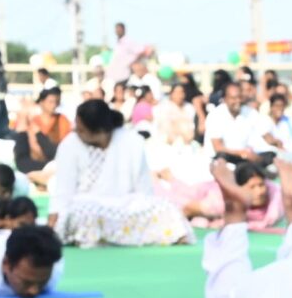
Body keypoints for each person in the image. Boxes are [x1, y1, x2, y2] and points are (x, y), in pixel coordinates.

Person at [47, 98, 190, 247]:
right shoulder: (70, 144)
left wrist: (148, 207)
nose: (76, 131)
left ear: (100, 131)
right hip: (86, 206)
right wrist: (54, 217)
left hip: (126, 207)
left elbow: (144, 189)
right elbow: (63, 188)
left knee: (166, 208)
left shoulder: (132, 141)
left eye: (81, 129)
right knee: (81, 214)